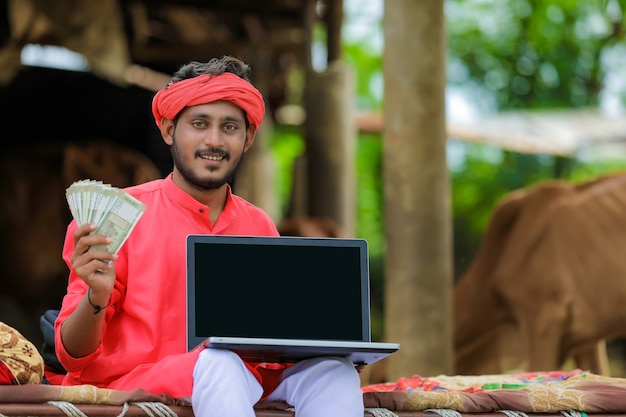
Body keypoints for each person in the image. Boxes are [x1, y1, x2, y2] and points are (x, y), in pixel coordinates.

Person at [53, 56, 364, 416]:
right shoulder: (115, 217)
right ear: (169, 130)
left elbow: (272, 345)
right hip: (141, 383)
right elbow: (70, 355)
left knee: (335, 372)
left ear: (248, 138)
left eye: (229, 127)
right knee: (219, 362)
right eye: (199, 124)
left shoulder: (259, 225)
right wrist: (97, 296)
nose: (213, 140)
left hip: (245, 379)